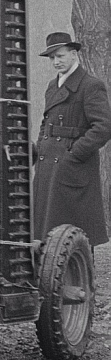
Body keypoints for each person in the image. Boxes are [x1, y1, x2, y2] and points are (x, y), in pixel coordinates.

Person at [33, 32, 111, 247]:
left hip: (72, 169)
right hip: (48, 166)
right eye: (52, 58)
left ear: (74, 53)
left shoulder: (90, 85)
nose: (56, 62)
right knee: (47, 237)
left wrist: (74, 155)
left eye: (60, 56)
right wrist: (40, 148)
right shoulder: (52, 85)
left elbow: (103, 127)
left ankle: (79, 277)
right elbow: (46, 123)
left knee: (74, 234)